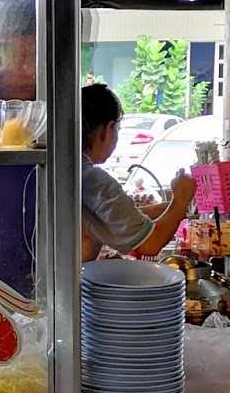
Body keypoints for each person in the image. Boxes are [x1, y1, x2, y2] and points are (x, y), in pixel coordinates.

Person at [81, 83, 197, 261]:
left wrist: (166, 209)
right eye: (117, 130)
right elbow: (151, 244)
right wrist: (181, 199)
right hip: (71, 284)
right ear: (108, 128)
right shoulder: (94, 181)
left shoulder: (71, 170)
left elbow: (115, 216)